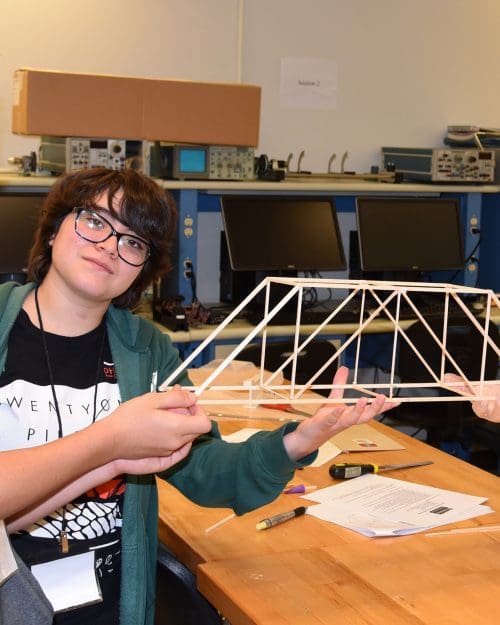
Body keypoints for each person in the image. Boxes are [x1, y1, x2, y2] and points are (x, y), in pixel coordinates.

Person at [0, 167, 393, 625]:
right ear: (53, 229)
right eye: (95, 221)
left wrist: (298, 442)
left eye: (133, 242)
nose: (110, 245)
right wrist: (115, 439)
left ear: (142, 272)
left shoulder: (147, 350)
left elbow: (200, 464)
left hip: (107, 607)